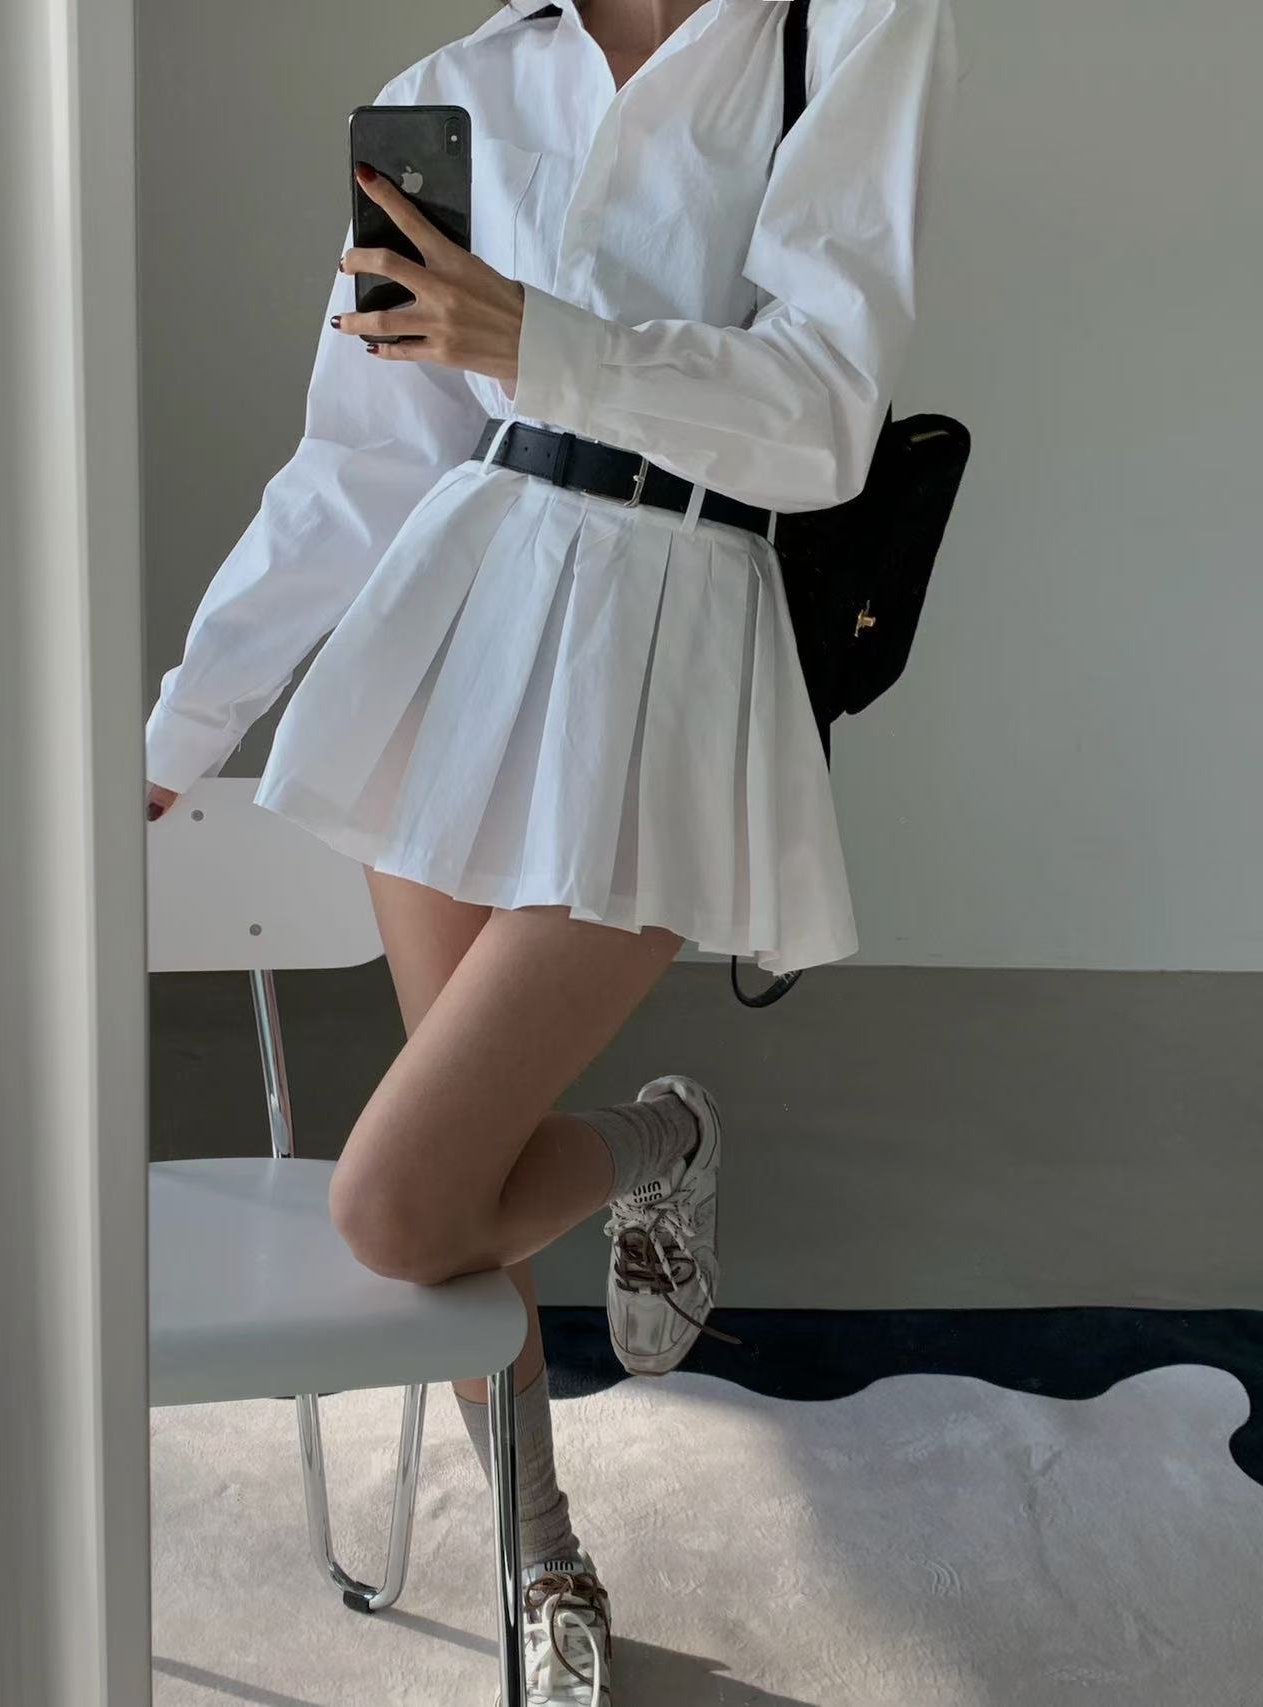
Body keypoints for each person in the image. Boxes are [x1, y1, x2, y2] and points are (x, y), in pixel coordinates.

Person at [144, 0, 958, 1697]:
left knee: (400, 1204)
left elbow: (823, 418)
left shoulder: (839, 29)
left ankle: (663, 1139)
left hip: (676, 647)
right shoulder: (451, 89)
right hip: (448, 643)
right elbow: (362, 465)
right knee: (463, 1205)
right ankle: (542, 1551)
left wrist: (537, 337)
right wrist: (180, 728)